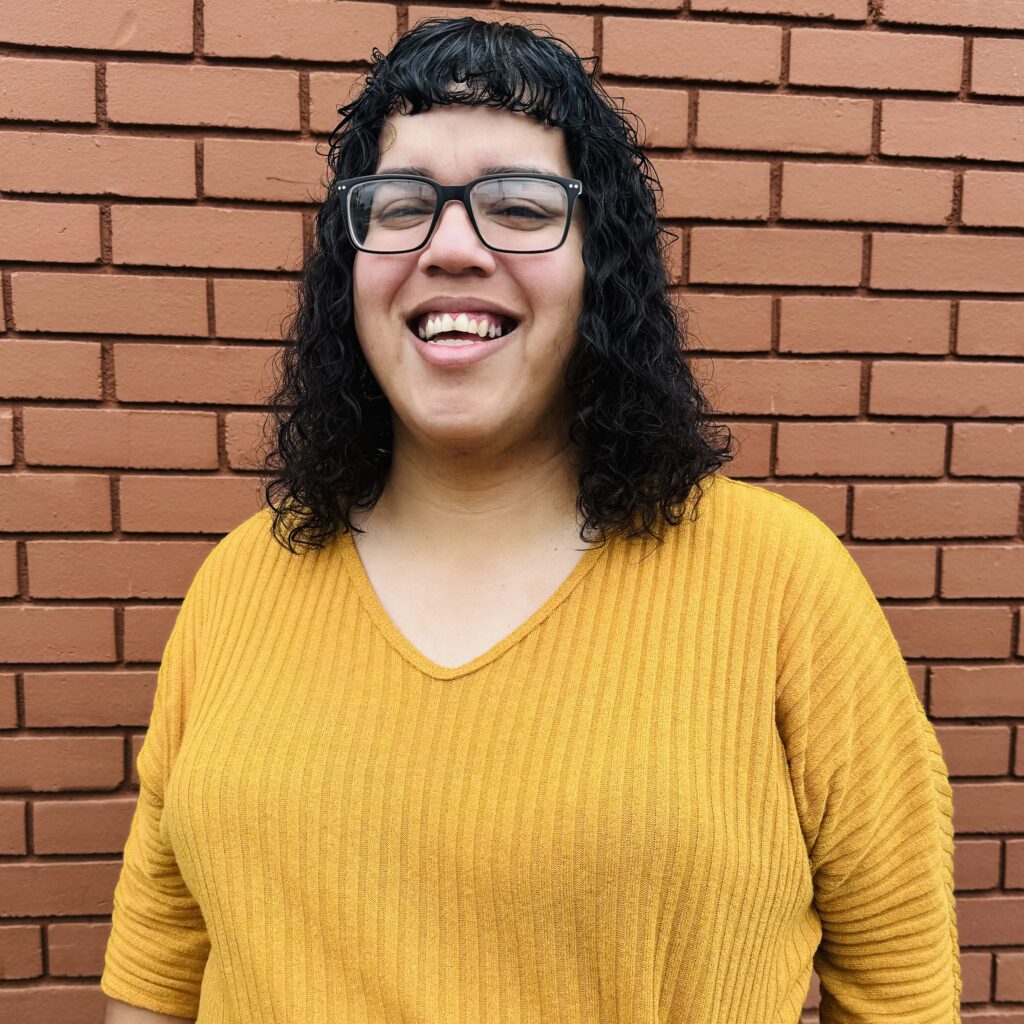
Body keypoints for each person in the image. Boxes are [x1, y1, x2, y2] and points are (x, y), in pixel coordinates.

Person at [100, 16, 962, 1024]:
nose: (452, 247)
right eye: (403, 204)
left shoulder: (782, 586)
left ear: (603, 265)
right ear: (353, 263)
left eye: (518, 207)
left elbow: (900, 989)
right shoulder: (242, 584)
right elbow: (157, 969)